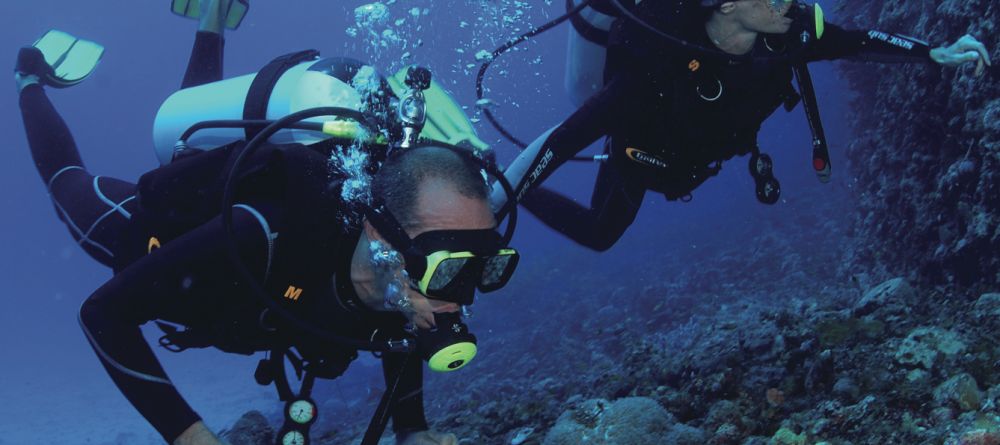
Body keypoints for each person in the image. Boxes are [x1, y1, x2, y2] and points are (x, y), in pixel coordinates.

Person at [15, 1, 519, 445]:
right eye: (450, 267)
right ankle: (29, 77)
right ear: (377, 235)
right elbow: (102, 315)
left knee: (186, 149)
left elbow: (403, 329)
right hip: (152, 232)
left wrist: (411, 427)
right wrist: (191, 437)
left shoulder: (403, 281)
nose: (462, 297)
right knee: (67, 183)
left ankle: (211, 20)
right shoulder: (266, 232)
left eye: (485, 269)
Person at [492, 0, 993, 251]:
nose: (788, 2)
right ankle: (491, 174)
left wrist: (934, 53)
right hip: (643, 156)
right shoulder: (652, 70)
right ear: (726, 4)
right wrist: (501, 199)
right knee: (601, 234)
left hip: (702, 156)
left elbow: (856, 41)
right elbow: (561, 143)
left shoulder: (786, 33)